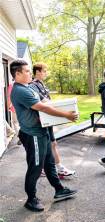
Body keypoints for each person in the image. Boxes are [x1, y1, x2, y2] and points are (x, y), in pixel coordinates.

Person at [9, 59, 78, 212]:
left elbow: (45, 101)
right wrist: (66, 115)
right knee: (35, 167)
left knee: (49, 162)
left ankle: (59, 190)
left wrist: (65, 105)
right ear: (17, 73)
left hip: (41, 131)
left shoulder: (28, 87)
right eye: (26, 71)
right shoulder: (20, 90)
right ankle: (31, 199)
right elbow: (41, 107)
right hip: (32, 134)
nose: (29, 73)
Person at [29, 63, 76, 179]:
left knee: (52, 144)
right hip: (41, 120)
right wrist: (62, 111)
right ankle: (54, 168)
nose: (46, 73)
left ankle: (55, 168)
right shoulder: (33, 85)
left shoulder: (41, 84)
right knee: (48, 145)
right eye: (44, 71)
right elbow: (43, 102)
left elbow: (48, 100)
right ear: (38, 72)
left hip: (47, 119)